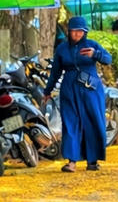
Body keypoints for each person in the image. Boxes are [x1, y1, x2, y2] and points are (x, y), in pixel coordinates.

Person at [45, 16, 111, 172]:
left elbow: (108, 59)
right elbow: (55, 72)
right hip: (69, 88)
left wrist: (96, 54)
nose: (77, 35)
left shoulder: (92, 45)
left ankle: (92, 161)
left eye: (81, 32)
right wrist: (47, 90)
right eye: (74, 32)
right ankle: (71, 161)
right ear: (69, 32)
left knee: (93, 122)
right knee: (70, 123)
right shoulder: (62, 48)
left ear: (85, 32)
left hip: (91, 89)